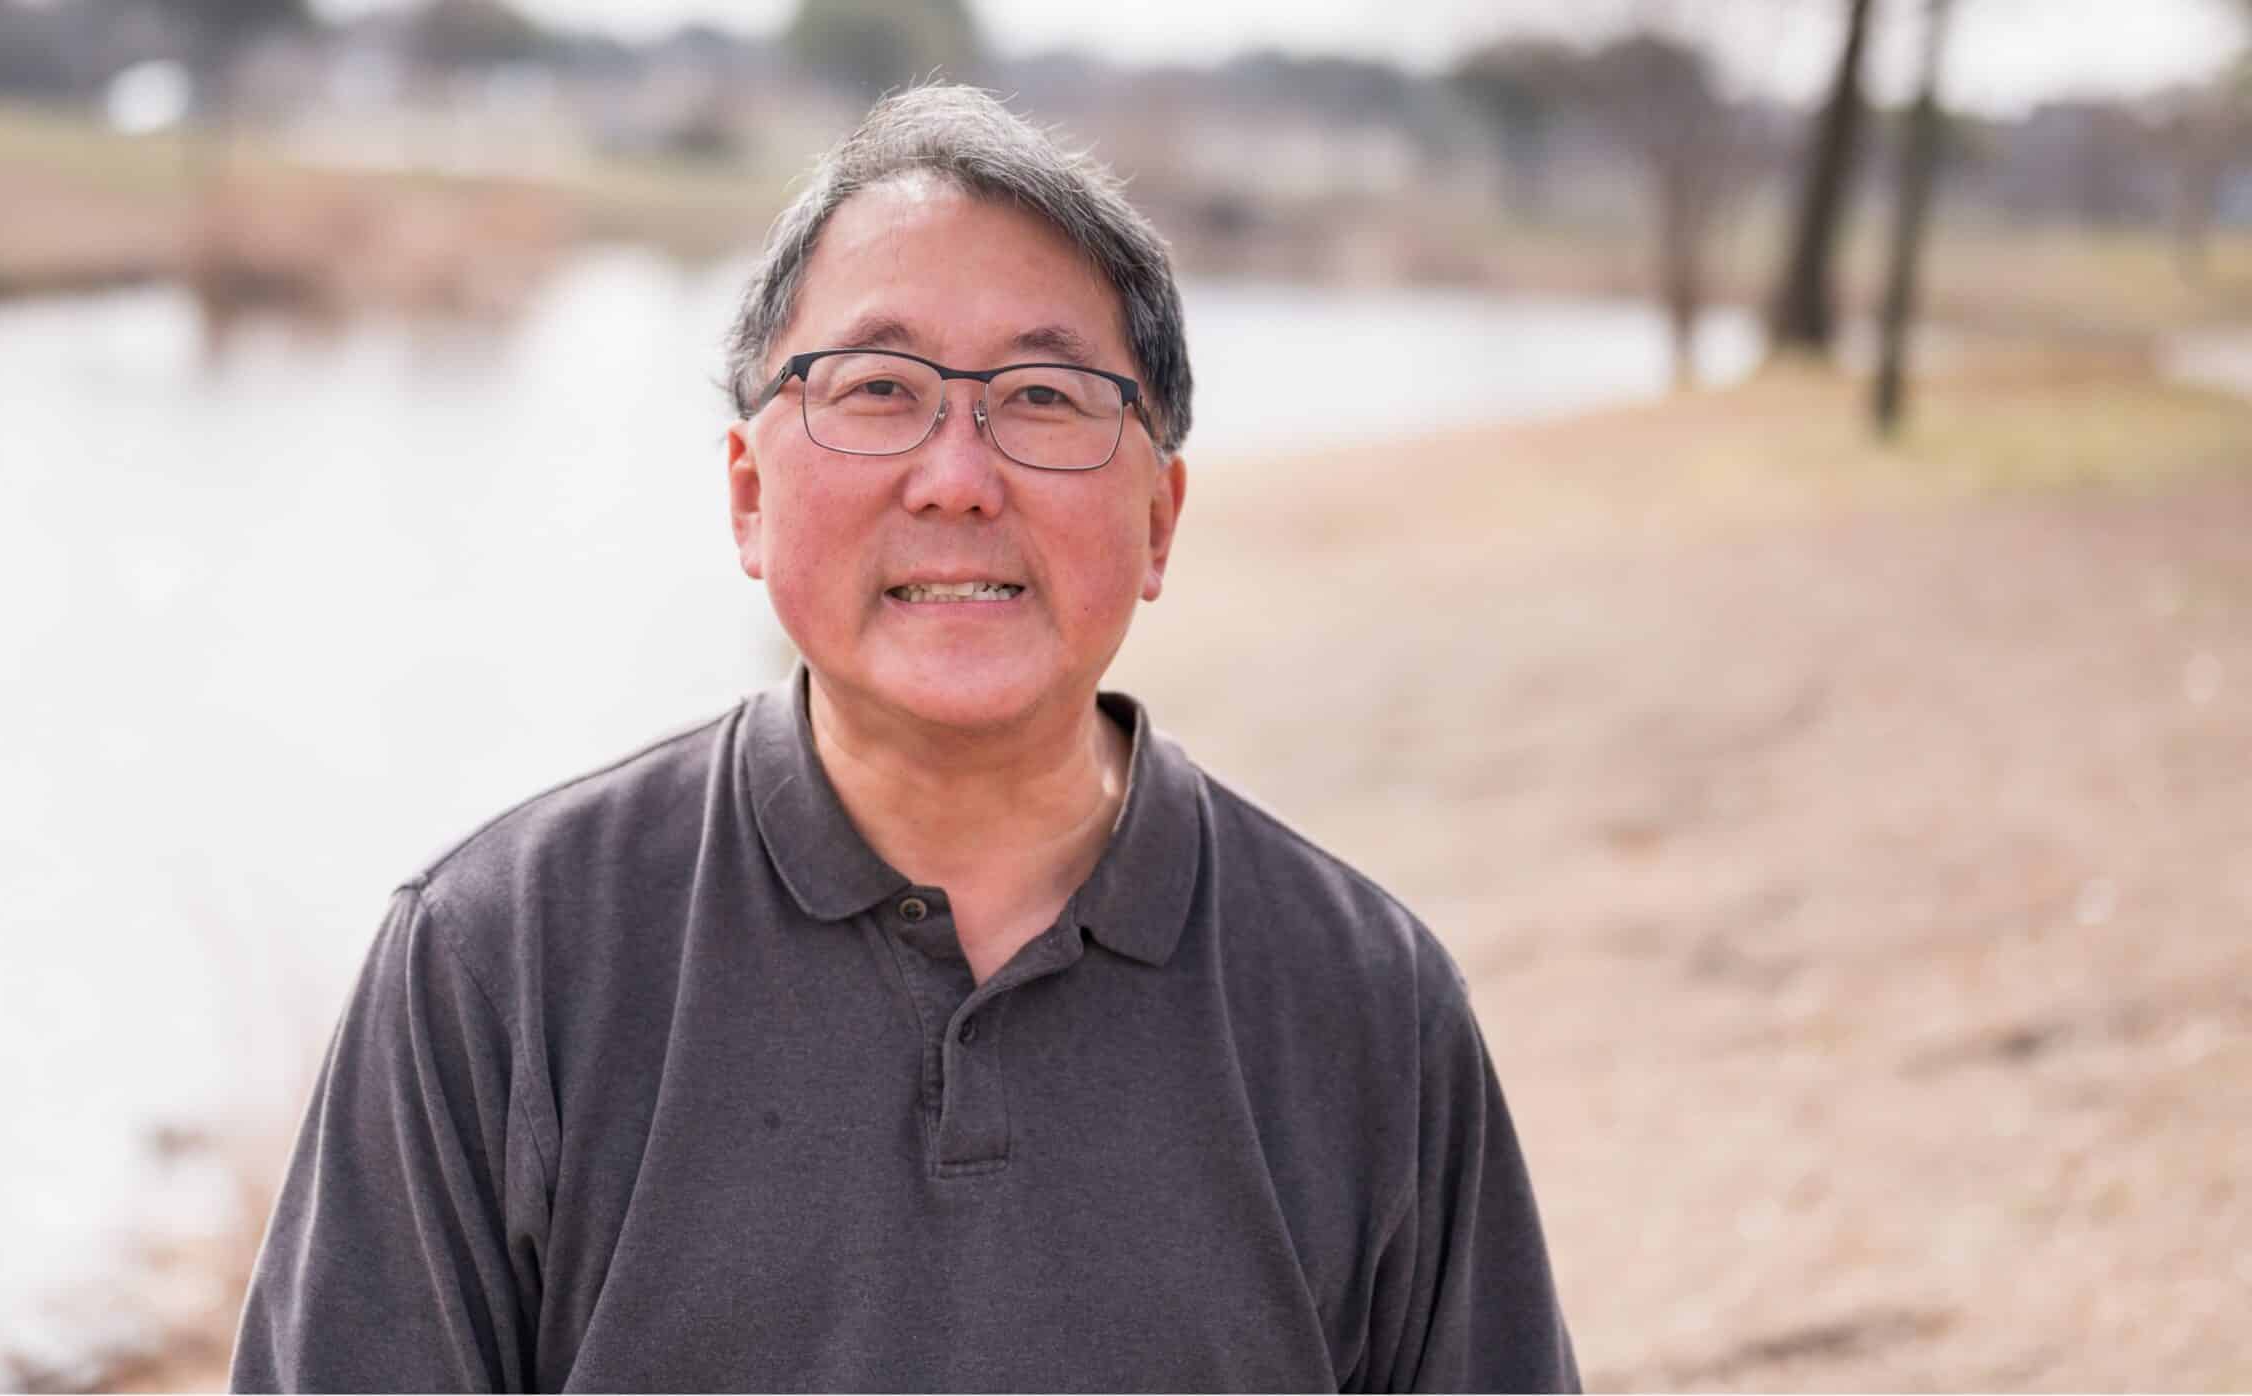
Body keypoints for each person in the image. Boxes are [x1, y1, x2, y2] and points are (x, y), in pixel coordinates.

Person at [228, 83, 1579, 1393]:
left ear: (1159, 518)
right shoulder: (500, 962)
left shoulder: (1367, 1006)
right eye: (878, 389)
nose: (956, 479)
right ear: (750, 495)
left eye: (1045, 399)